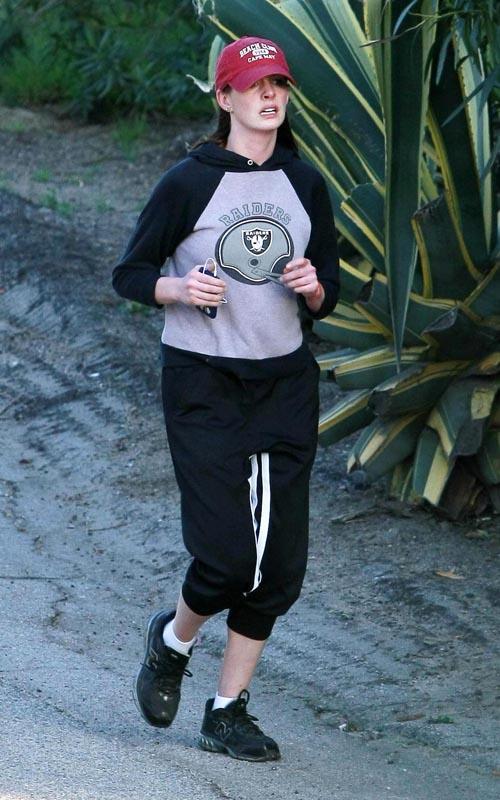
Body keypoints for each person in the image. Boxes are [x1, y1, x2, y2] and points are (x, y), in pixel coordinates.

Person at [112, 35, 339, 762]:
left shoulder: (304, 182)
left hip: (283, 384)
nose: (269, 96)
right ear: (224, 96)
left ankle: (227, 711)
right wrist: (179, 288)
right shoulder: (188, 182)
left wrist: (313, 288)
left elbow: (330, 290)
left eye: (279, 84)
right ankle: (173, 642)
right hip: (204, 382)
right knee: (224, 559)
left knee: (279, 569)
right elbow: (129, 273)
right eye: (254, 84)